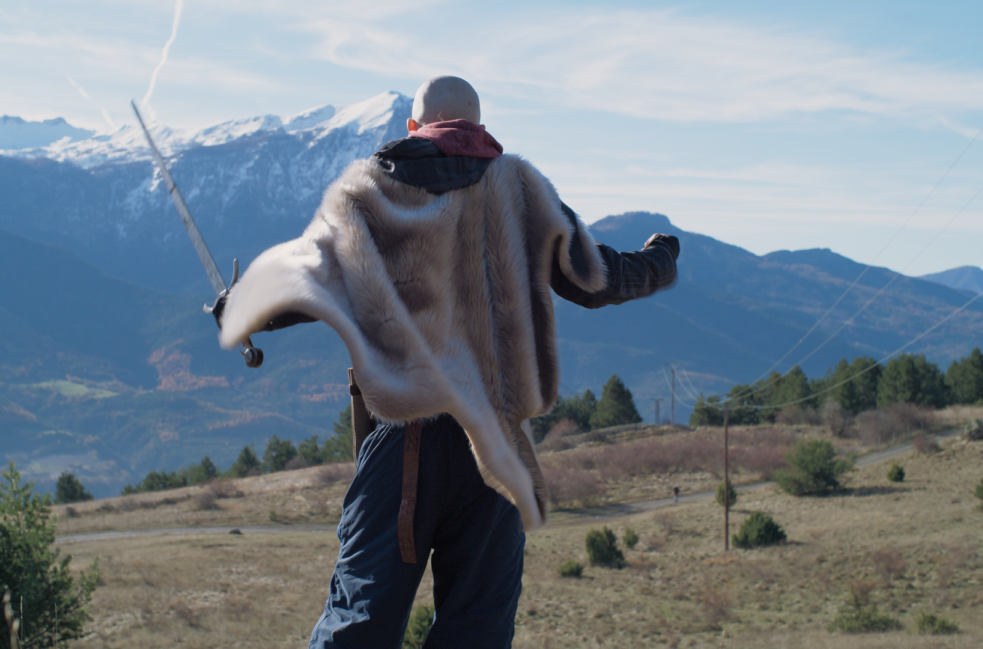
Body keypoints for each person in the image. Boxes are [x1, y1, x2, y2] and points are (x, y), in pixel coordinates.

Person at [217, 76, 679, 648]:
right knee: (476, 629)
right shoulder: (523, 194)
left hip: (404, 447)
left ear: (413, 129)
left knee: (358, 623)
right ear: (481, 131)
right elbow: (599, 279)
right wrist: (661, 259)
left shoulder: (372, 194)